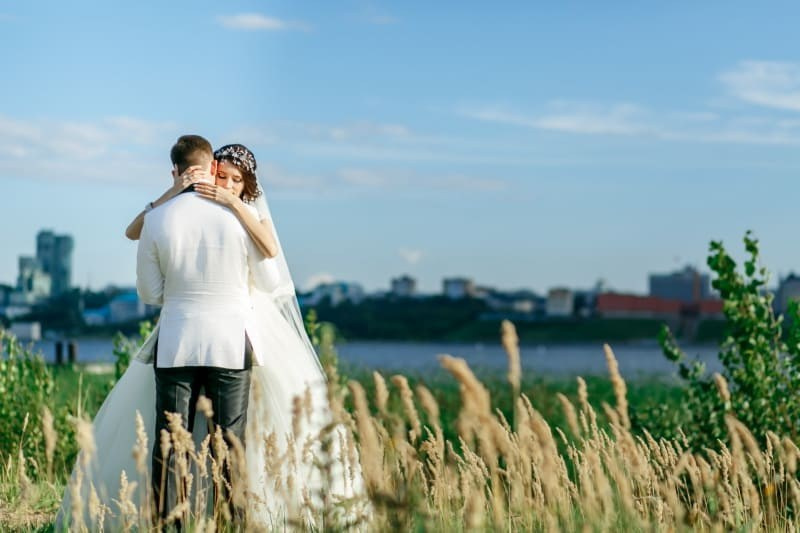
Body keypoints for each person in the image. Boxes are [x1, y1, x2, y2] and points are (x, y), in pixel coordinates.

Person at [56, 139, 365, 530]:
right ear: (210, 165)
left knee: (169, 446)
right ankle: (229, 524)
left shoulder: (160, 218)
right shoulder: (238, 218)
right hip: (232, 341)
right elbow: (268, 270)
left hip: (176, 343)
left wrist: (183, 294)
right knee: (230, 444)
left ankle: (170, 526)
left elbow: (150, 294)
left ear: (178, 170)